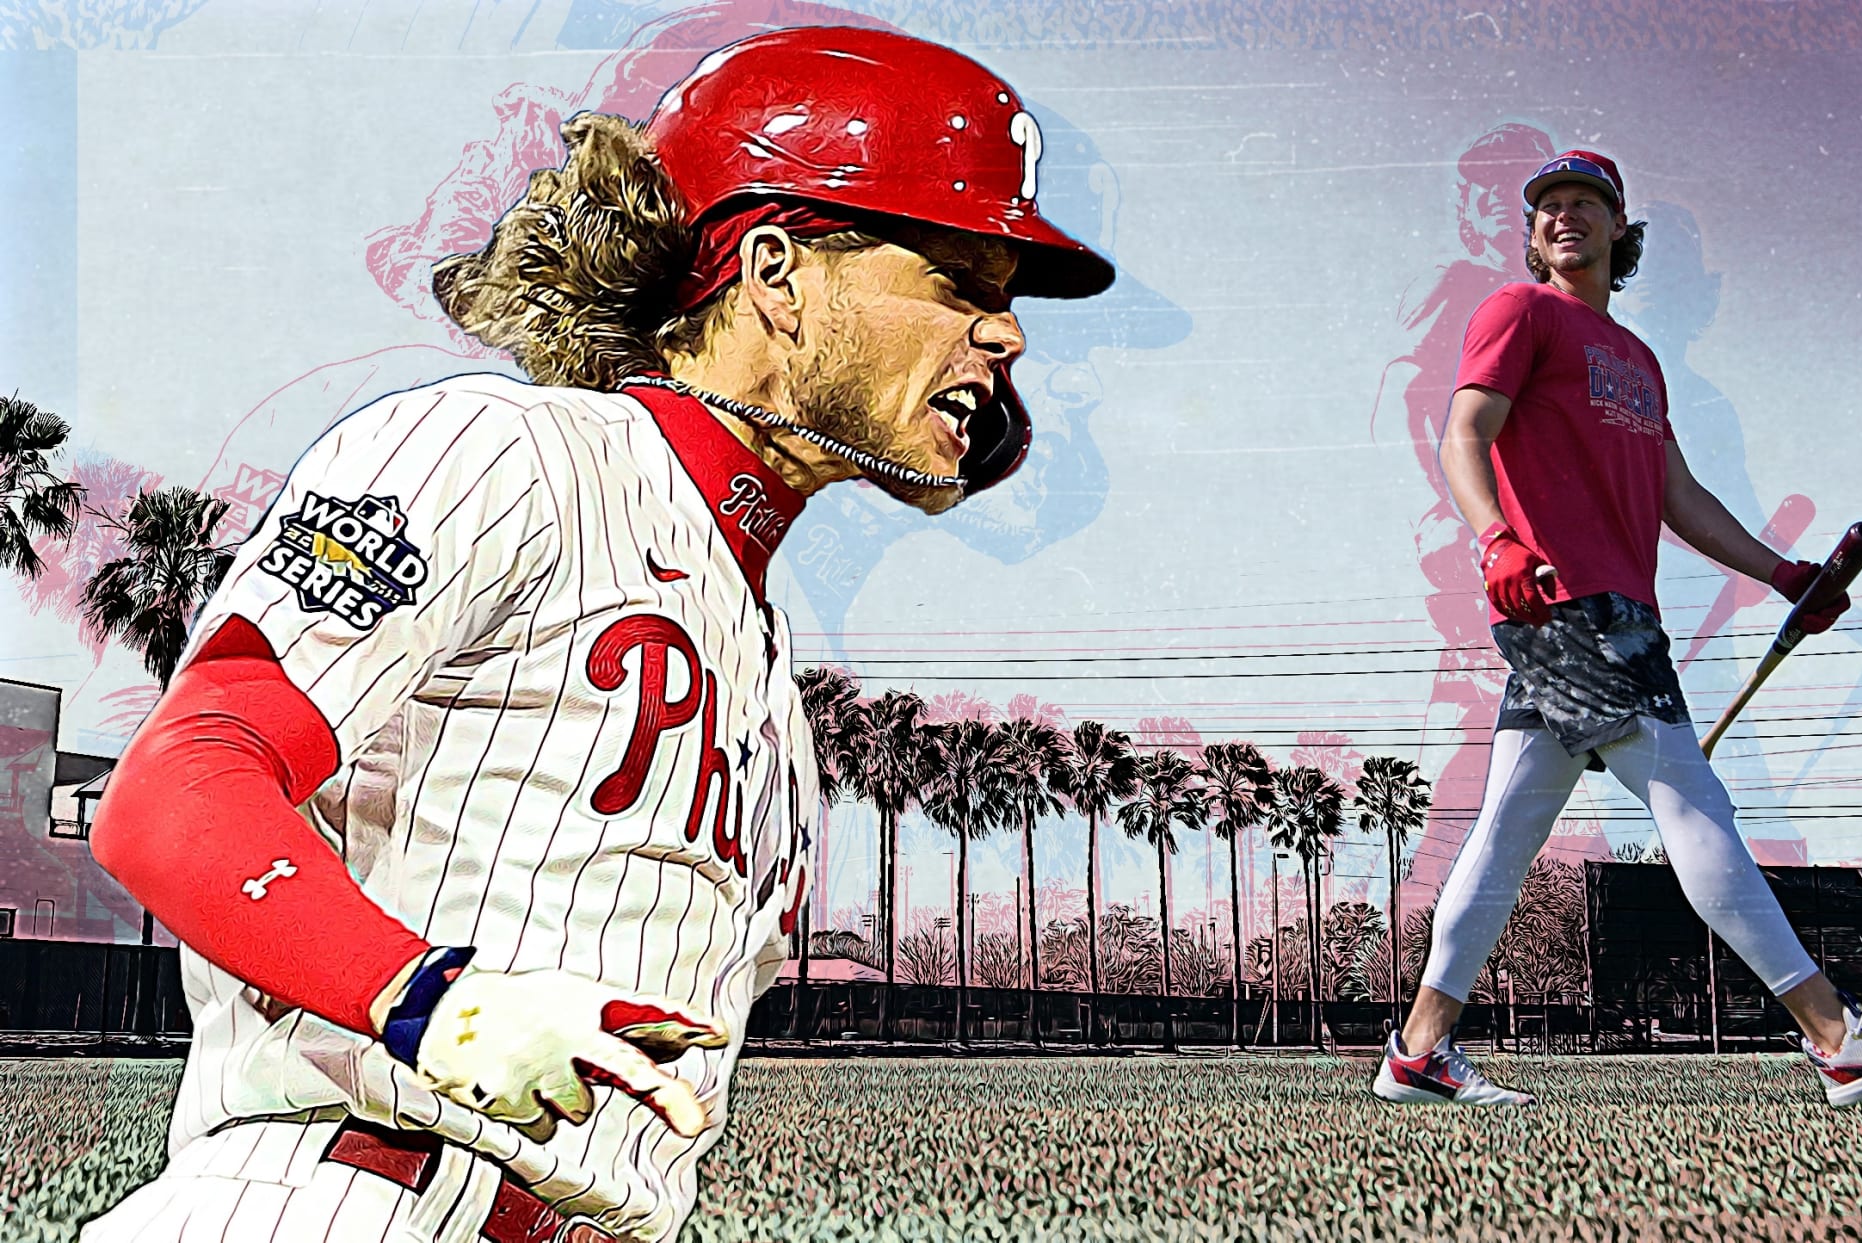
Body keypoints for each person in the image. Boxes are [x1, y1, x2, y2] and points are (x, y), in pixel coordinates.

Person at [84, 26, 1111, 1242]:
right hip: (345, 1198)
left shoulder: (770, 689)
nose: (1010, 335)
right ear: (776, 271)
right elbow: (178, 788)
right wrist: (428, 1000)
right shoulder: (505, 452)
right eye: (962, 277)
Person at [1371, 149, 1862, 1110]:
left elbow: (1677, 496)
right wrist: (1493, 537)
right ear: (1533, 236)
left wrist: (1788, 576)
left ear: (1621, 232)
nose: (1564, 217)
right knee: (1696, 805)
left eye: (1586, 204)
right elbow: (1465, 434)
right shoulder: (1518, 313)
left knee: (1503, 836)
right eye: (1548, 208)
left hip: (1616, 612)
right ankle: (1835, 1034)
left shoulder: (1639, 360)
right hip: (1570, 606)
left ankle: (1417, 1050)